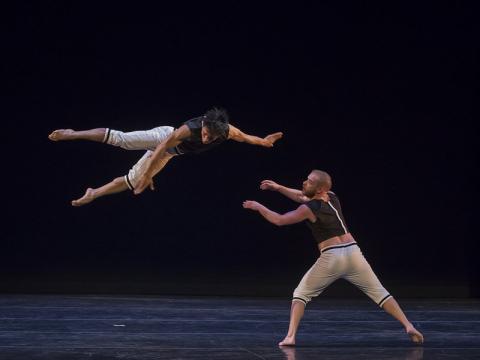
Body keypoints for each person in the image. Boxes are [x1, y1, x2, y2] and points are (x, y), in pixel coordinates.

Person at [242, 170, 424, 346]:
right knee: (380, 293)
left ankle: (290, 337)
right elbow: (301, 195)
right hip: (354, 254)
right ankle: (408, 326)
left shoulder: (308, 209)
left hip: (333, 257)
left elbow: (280, 220)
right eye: (307, 179)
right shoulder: (332, 197)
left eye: (310, 181)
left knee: (300, 294)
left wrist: (258, 207)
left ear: (321, 189)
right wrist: (279, 187)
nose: (305, 183)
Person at [49, 108, 283, 206]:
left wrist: (264, 141)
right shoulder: (187, 129)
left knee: (132, 181)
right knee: (122, 141)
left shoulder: (227, 131)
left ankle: (94, 193)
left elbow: (246, 138)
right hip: (164, 138)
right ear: (202, 125)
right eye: (205, 135)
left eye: (211, 139)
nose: (206, 140)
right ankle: (73, 133)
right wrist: (150, 173)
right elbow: (160, 148)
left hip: (171, 153)